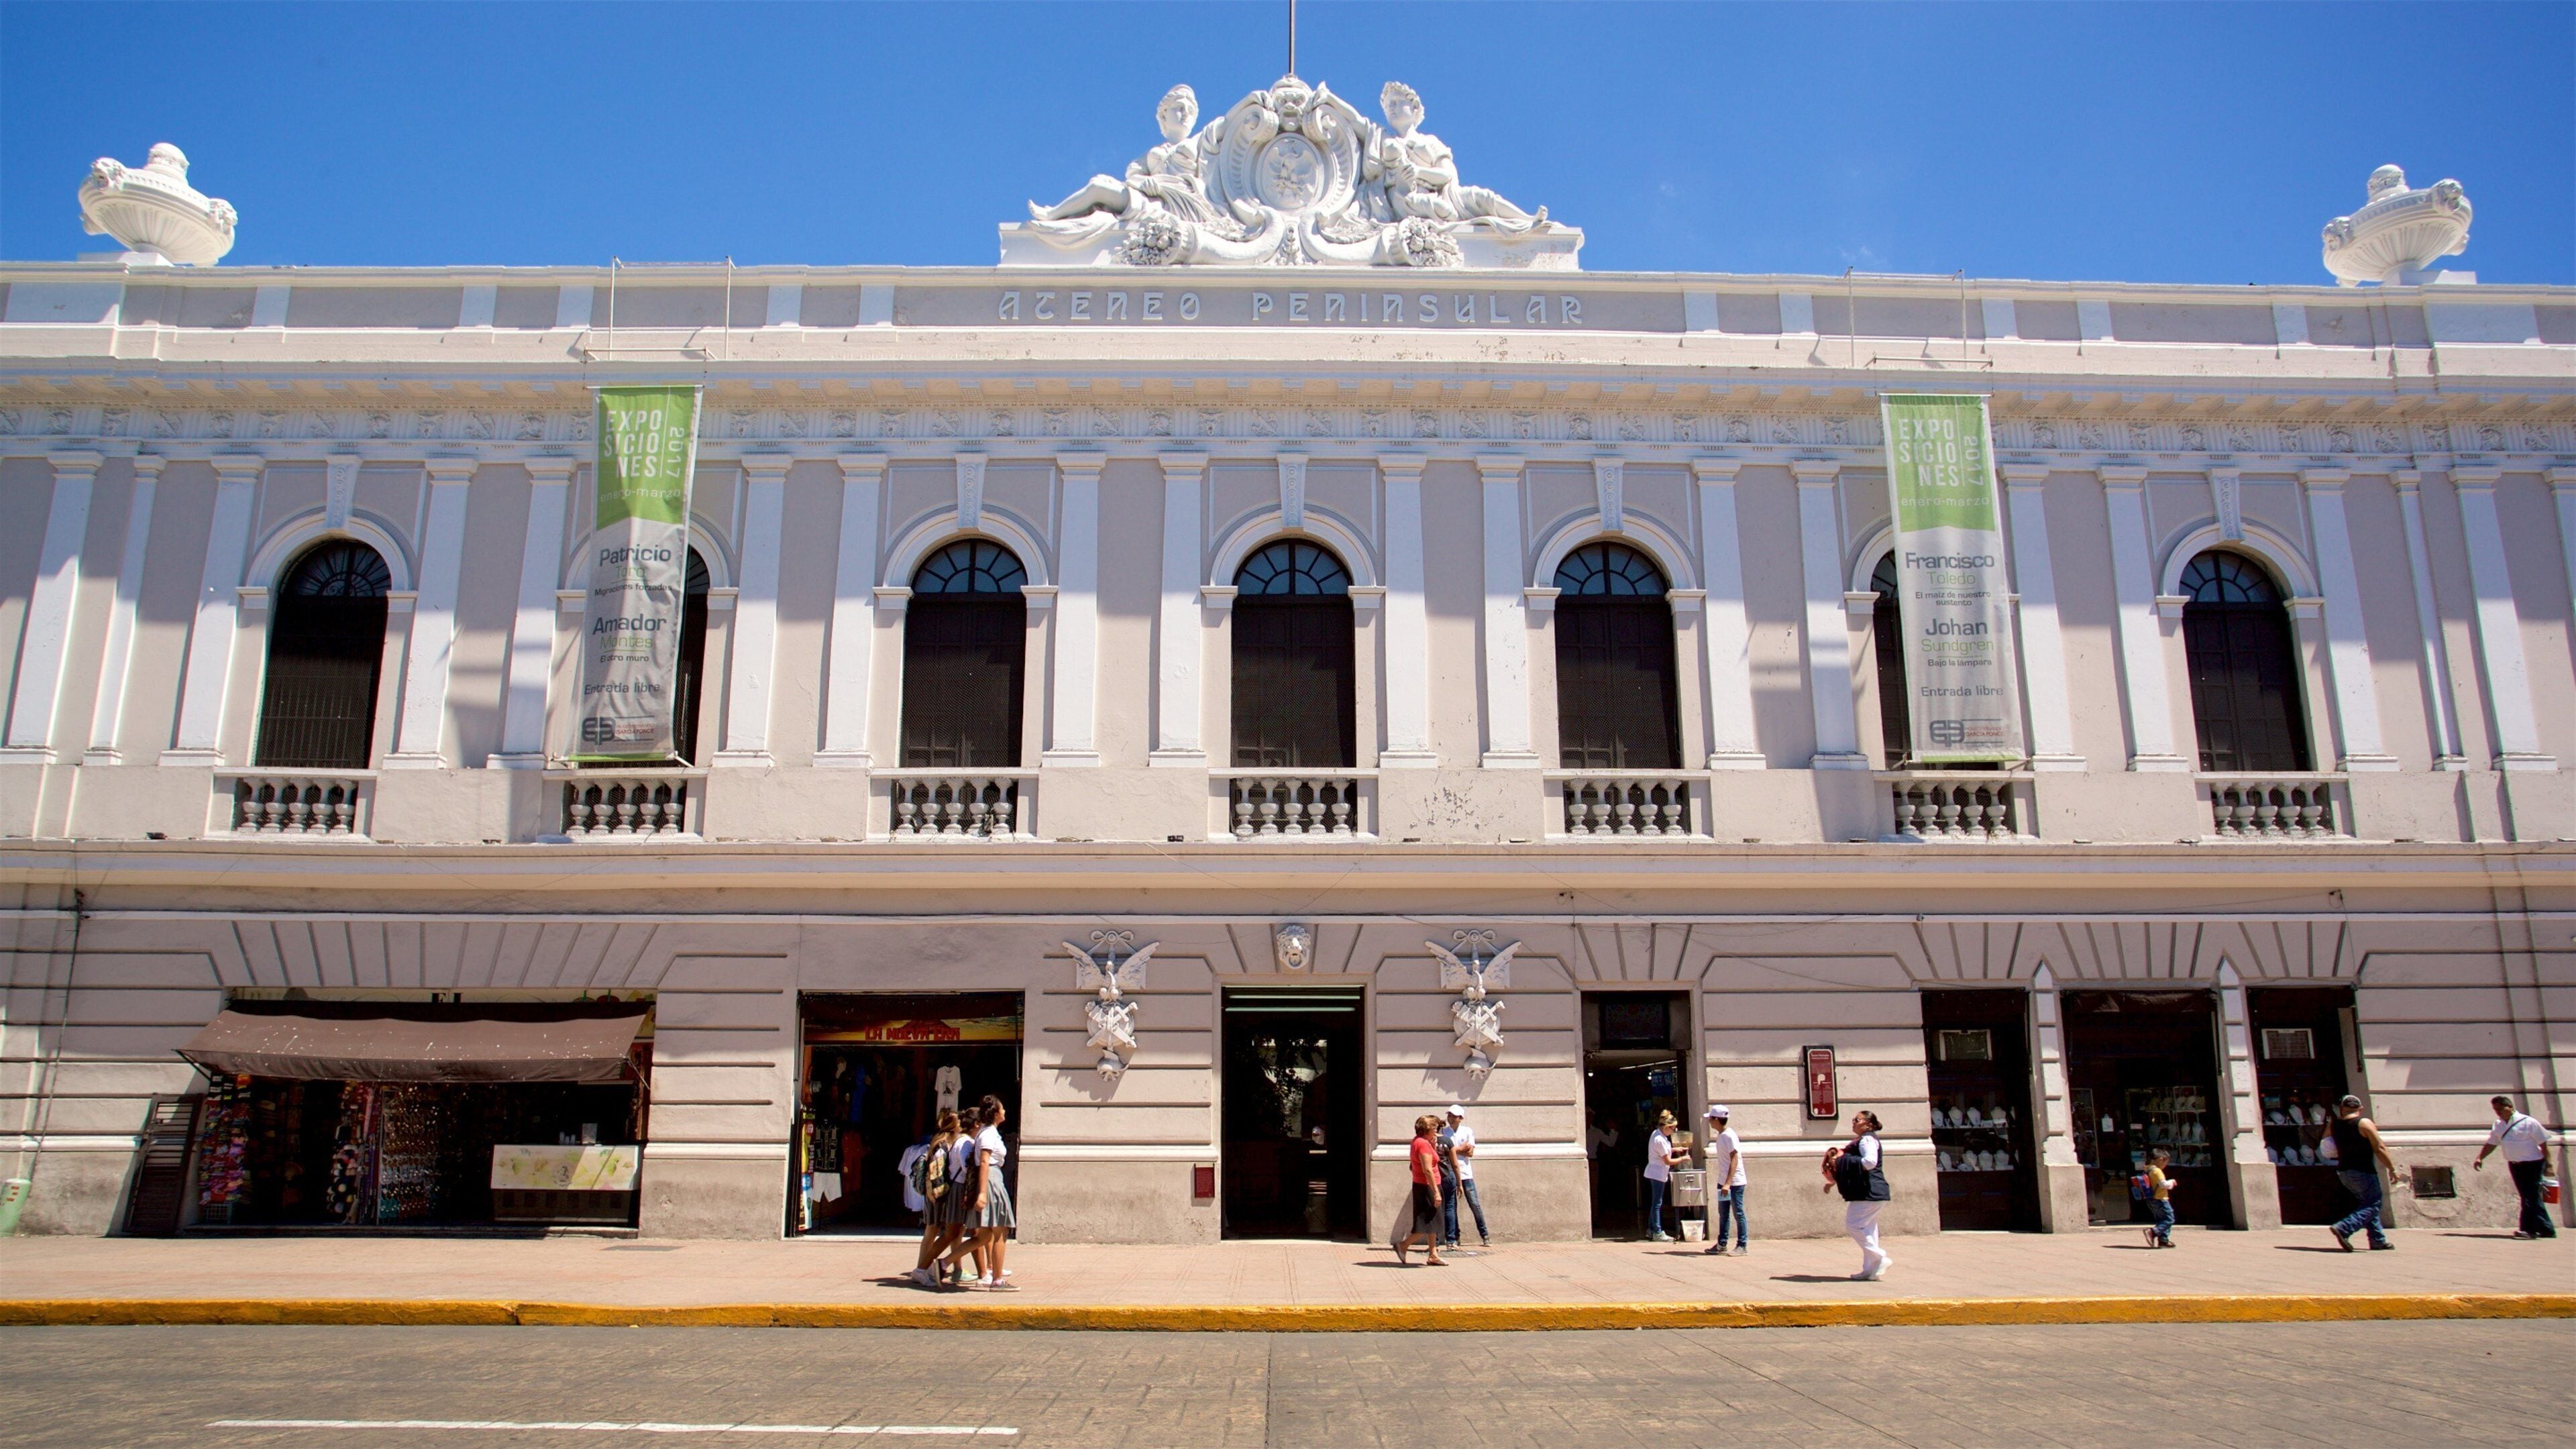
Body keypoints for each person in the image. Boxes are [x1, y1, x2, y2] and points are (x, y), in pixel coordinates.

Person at [2471, 1095, 2557, 1240]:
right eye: (2495, 1109)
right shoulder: (2499, 1125)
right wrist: (2481, 1157)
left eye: (2500, 1109)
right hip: (2515, 1164)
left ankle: (2529, 1230)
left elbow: (2543, 1144)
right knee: (2530, 1196)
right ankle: (2546, 1229)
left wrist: (2549, 1165)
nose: (2498, 1112)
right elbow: (2492, 1143)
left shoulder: (2528, 1122)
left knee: (2530, 1197)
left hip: (2532, 1164)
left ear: (2510, 1107)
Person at [1822, 1109, 1892, 1281]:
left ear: (1868, 1124)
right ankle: (1871, 1270)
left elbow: (1869, 1163)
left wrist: (1841, 1160)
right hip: (1873, 1191)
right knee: (1869, 1229)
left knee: (1853, 1225)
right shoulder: (1862, 1140)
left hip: (1868, 1191)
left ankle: (1880, 1256)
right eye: (1854, 1119)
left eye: (1858, 1120)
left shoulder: (1867, 1139)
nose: (1854, 1122)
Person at [2328, 1094, 2398, 1252]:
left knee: (2367, 1203)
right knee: (2374, 1204)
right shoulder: (2364, 1123)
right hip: (2362, 1170)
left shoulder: (2335, 1124)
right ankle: (2345, 1227)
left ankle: (2378, 1240)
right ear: (2360, 1108)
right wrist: (2392, 1168)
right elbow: (2379, 1148)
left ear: (2342, 1108)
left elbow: (2326, 1143)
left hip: (2344, 1171)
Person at [902, 1109, 960, 1289]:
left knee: (931, 1232)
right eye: (959, 1124)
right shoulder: (942, 1145)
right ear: (953, 1127)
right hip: (936, 1195)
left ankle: (921, 1269)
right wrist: (941, 1193)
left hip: (934, 1195)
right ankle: (921, 1270)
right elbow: (936, 1174)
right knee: (932, 1232)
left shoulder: (938, 1142)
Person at [1392, 1114, 1447, 1266]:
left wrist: (1433, 1146)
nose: (1436, 1131)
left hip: (1424, 1185)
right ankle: (1403, 1245)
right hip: (1428, 1186)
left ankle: (1433, 1254)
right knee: (1425, 1224)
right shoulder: (1422, 1144)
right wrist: (1436, 1192)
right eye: (1434, 1128)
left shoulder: (1421, 1142)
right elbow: (1427, 1169)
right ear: (1426, 1129)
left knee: (1432, 1222)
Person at [1701, 1104, 1747, 1256]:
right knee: (1724, 1213)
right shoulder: (1722, 1136)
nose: (1709, 1122)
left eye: (1711, 1119)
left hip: (1734, 1183)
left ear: (1716, 1120)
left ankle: (1742, 1245)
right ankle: (1722, 1244)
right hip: (1723, 1182)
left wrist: (1728, 1183)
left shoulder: (1728, 1136)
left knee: (1738, 1213)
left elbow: (1735, 1158)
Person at [1444, 1104, 1490, 1248]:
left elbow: (1470, 1152)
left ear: (1461, 1118)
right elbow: (1444, 1152)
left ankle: (1484, 1235)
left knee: (1474, 1204)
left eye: (1454, 1116)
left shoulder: (1467, 1131)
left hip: (1465, 1173)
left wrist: (1452, 1150)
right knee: (1452, 1206)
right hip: (1450, 1172)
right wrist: (1458, 1149)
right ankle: (1455, 1237)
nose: (1450, 1118)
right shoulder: (1444, 1132)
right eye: (1449, 1116)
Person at [1644, 1110, 1685, 1242]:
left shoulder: (1658, 1135)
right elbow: (1667, 1160)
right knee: (1657, 1203)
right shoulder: (1659, 1139)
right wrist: (1683, 1159)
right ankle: (1657, 1231)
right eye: (1673, 1129)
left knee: (1655, 1202)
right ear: (1667, 1127)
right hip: (1657, 1173)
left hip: (1657, 1172)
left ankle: (1651, 1229)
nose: (1674, 1131)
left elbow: (1663, 1152)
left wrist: (1674, 1150)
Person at [1434, 1112, 1464, 1248]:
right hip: (1449, 1176)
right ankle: (1451, 1241)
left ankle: (1434, 1241)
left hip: (1435, 1177)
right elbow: (1455, 1164)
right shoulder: (1447, 1141)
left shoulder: (1429, 1142)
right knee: (1450, 1208)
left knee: (1434, 1209)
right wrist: (1459, 1183)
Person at [2142, 1147, 2176, 1248]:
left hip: (2152, 1199)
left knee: (2162, 1219)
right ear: (2161, 1159)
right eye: (2166, 1163)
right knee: (2169, 1219)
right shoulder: (2157, 1171)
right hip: (2160, 1199)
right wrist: (2172, 1182)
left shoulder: (2148, 1169)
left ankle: (2164, 1240)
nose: (2165, 1166)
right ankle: (2153, 1232)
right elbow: (2163, 1184)